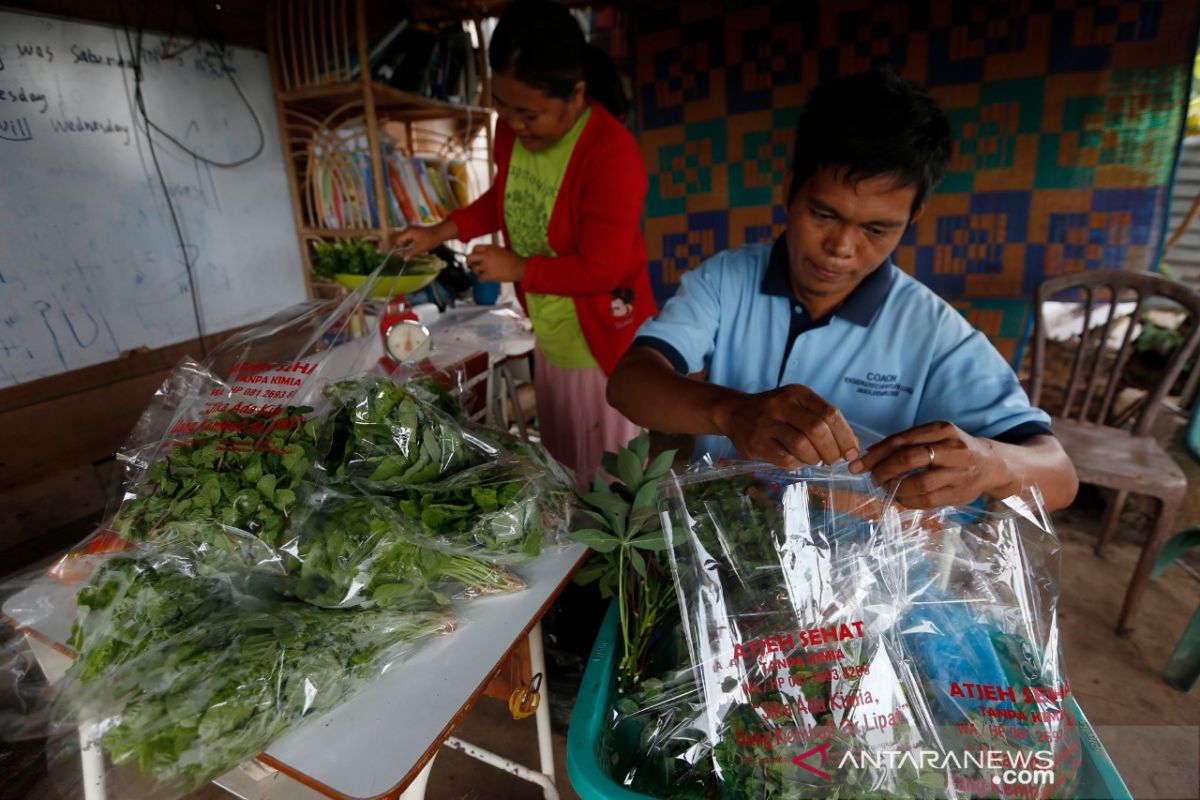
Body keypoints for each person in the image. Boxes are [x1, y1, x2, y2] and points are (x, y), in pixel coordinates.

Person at [607, 69, 1079, 511]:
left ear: (911, 220)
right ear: (790, 189)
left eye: (876, 229)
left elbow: (1059, 474)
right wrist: (730, 411)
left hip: (858, 578)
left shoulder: (932, 332)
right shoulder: (726, 281)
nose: (840, 248)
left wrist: (990, 465)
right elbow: (629, 383)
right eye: (824, 215)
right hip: (725, 536)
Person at [396, 0, 654, 484]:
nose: (513, 123)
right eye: (502, 106)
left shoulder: (611, 155)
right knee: (563, 462)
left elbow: (604, 269)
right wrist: (439, 231)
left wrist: (518, 269)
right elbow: (505, 198)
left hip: (602, 339)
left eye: (529, 113)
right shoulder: (513, 132)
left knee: (613, 480)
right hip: (552, 331)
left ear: (576, 94)